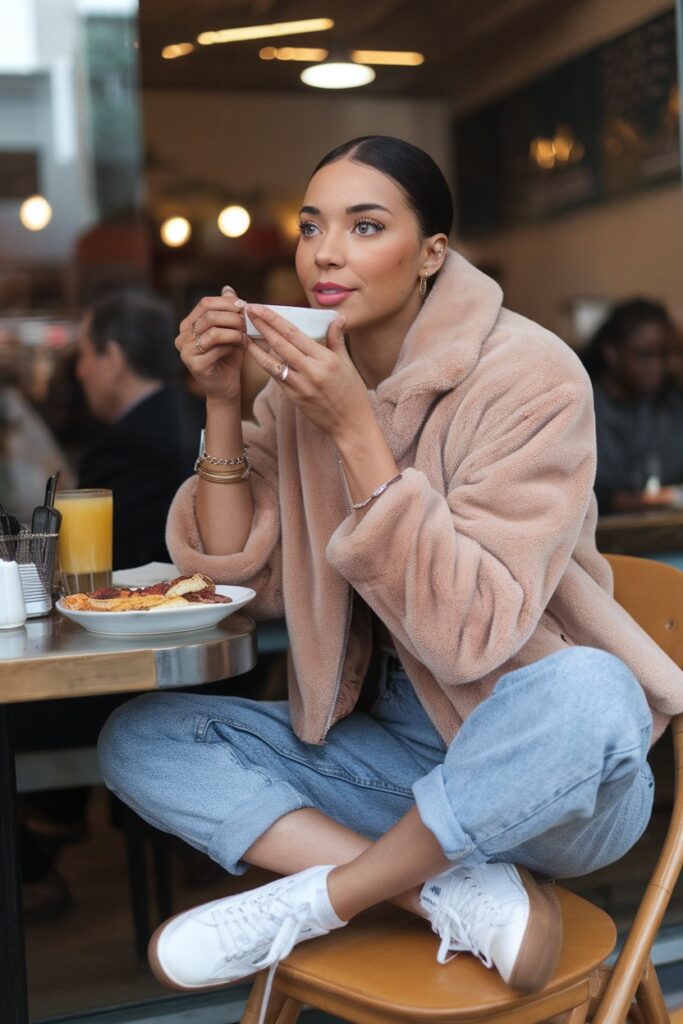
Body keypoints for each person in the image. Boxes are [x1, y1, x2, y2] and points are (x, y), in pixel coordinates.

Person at [98, 137, 683, 1002]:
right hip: (400, 773)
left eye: (364, 225)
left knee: (593, 689)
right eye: (310, 227)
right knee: (140, 736)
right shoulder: (293, 387)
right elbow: (241, 581)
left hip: (551, 779)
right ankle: (435, 888)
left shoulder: (532, 376)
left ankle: (329, 896)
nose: (324, 252)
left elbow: (471, 633)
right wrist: (222, 404)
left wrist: (355, 434)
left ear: (431, 255)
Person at [76, 287, 196, 568]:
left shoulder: (124, 446)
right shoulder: (197, 410)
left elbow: (98, 564)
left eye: (84, 354)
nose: (80, 371)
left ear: (113, 358)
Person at [581, 298, 683, 513]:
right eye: (644, 356)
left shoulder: (671, 403)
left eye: (664, 356)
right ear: (611, 353)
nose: (657, 367)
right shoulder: (581, 404)